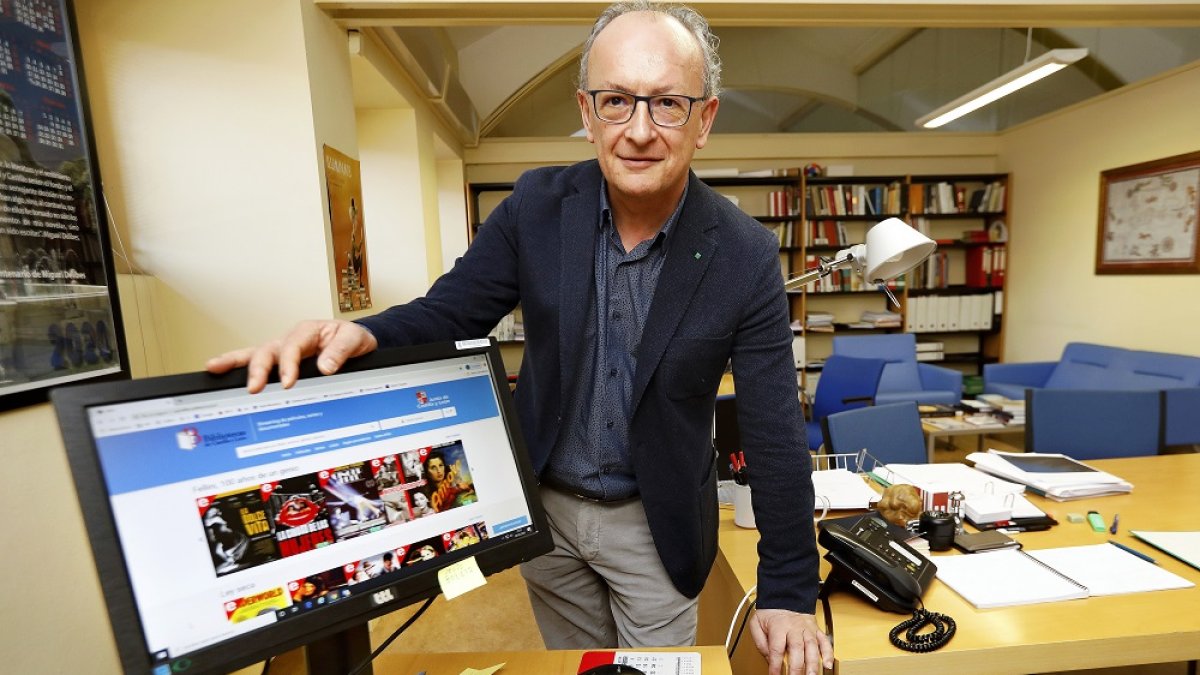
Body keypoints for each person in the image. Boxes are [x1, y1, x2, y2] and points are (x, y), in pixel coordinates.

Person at [207, 3, 832, 673]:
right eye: (617, 101)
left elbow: (772, 431)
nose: (640, 131)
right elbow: (446, 316)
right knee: (573, 666)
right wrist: (358, 332)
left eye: (668, 104)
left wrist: (789, 586)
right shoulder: (535, 206)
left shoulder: (745, 256)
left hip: (658, 527)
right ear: (587, 112)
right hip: (549, 518)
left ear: (704, 119)